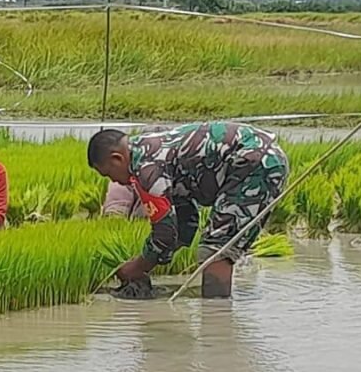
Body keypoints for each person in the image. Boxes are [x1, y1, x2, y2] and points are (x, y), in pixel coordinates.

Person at [87, 121, 289, 299]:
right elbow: (185, 221)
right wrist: (162, 255)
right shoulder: (147, 148)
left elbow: (164, 231)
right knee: (217, 244)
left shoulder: (146, 168)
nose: (113, 181)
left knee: (215, 249)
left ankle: (216, 322)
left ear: (117, 159)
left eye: (108, 173)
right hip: (264, 156)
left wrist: (138, 267)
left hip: (253, 162)